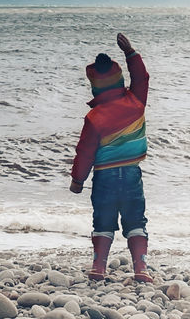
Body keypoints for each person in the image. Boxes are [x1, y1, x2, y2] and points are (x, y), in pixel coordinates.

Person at [69, 31, 151, 282]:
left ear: (95, 86)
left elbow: (85, 151)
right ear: (119, 80)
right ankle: (141, 268)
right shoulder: (136, 100)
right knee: (135, 219)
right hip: (131, 175)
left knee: (103, 221)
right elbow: (142, 77)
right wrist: (130, 53)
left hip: (104, 178)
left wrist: (77, 180)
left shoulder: (94, 117)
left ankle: (99, 267)